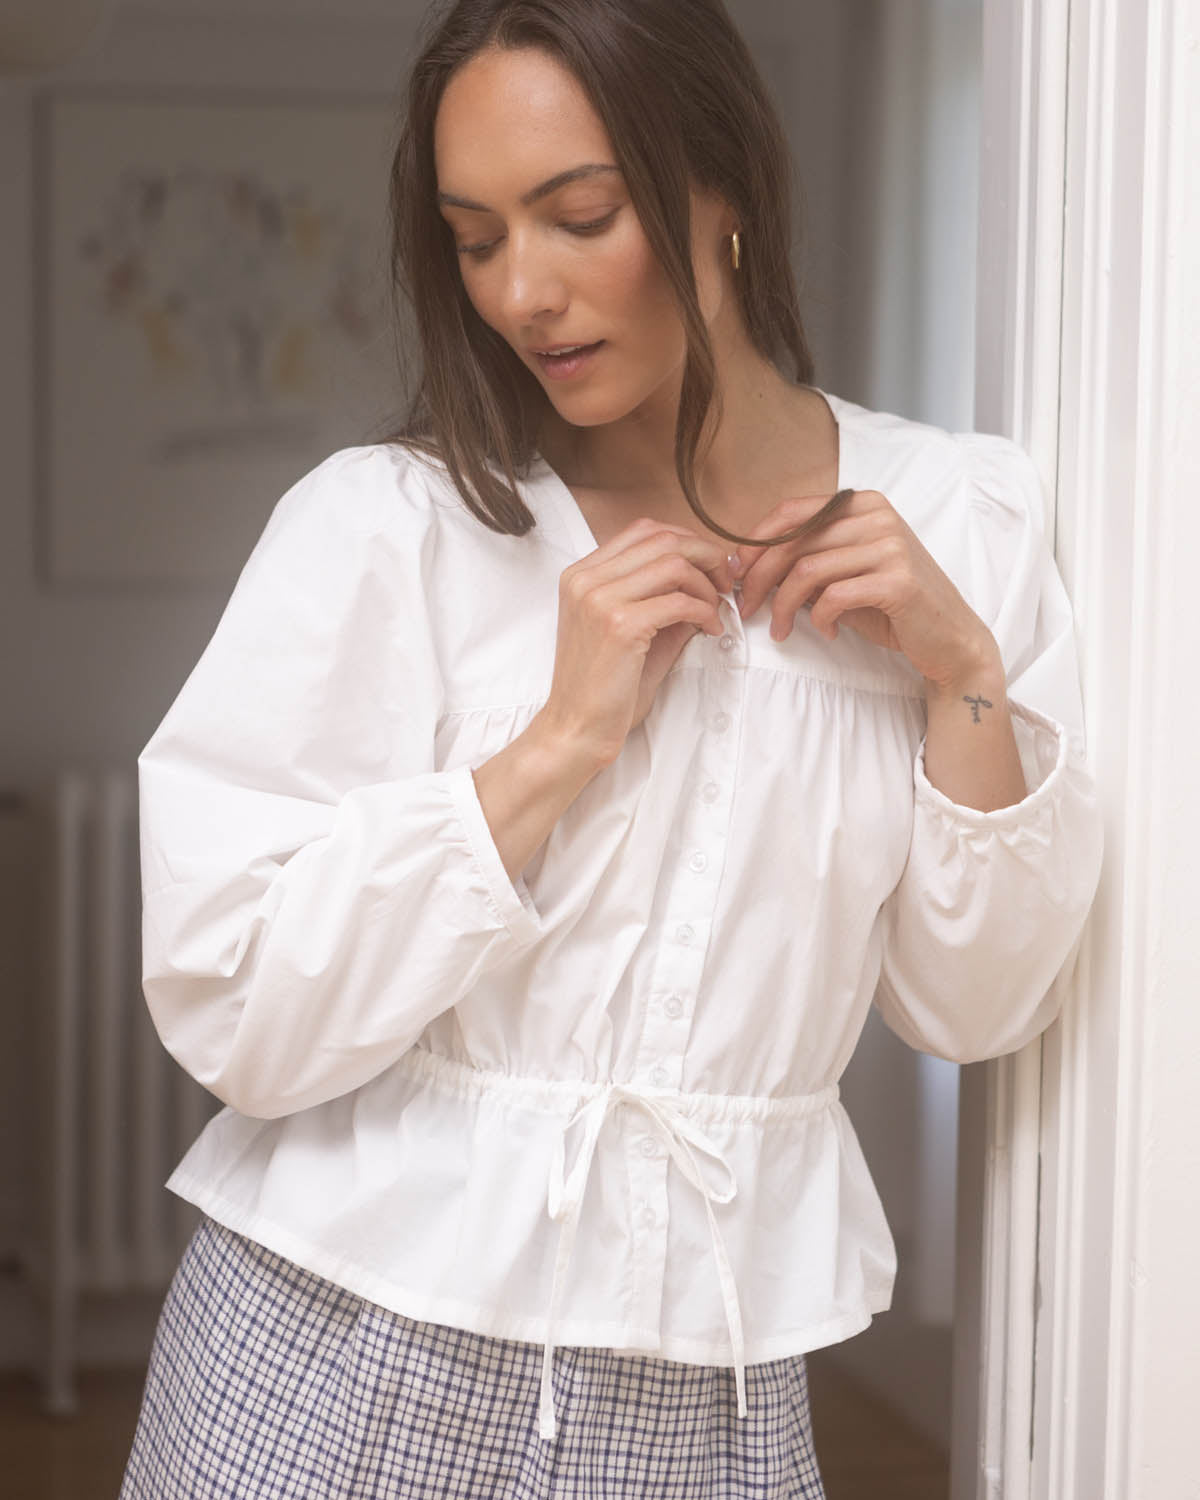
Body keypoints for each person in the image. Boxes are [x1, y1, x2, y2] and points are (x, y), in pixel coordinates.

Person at [119, 1, 1104, 1495]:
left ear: (726, 194)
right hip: (330, 1350)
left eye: (579, 217)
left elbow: (975, 1003)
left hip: (706, 1395)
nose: (524, 292)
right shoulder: (390, 526)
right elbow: (230, 998)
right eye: (474, 237)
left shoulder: (964, 520)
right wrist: (555, 746)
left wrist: (964, 673)